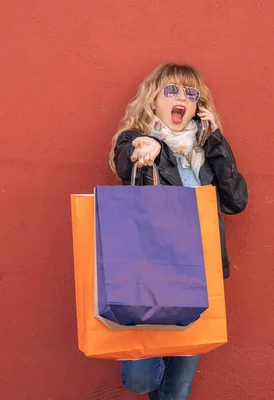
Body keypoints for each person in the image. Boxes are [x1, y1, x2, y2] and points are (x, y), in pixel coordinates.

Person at [109, 63, 248, 399]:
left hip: (199, 276)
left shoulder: (205, 151)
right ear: (153, 100)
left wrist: (215, 141)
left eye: (190, 93)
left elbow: (235, 201)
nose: (181, 98)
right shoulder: (136, 141)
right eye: (171, 90)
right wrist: (148, 145)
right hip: (149, 278)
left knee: (178, 388)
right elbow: (126, 157)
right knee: (141, 379)